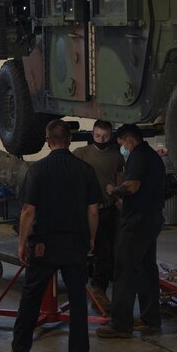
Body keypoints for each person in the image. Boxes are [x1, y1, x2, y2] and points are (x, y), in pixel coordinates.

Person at [11, 120, 100, 352]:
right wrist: (91, 238)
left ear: (48, 141)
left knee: (30, 298)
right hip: (75, 245)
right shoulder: (85, 170)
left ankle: (20, 350)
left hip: (43, 247)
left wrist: (21, 243)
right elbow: (93, 211)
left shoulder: (37, 170)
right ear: (69, 140)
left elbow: (28, 210)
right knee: (78, 301)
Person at [96, 124, 167, 338]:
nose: (121, 149)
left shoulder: (138, 156)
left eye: (121, 144)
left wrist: (114, 190)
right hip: (151, 219)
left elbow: (133, 186)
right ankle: (150, 319)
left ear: (129, 140)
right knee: (146, 270)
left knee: (124, 271)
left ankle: (121, 324)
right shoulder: (152, 157)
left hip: (137, 222)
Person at [73, 120, 124, 311]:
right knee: (100, 252)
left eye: (105, 136)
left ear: (110, 136)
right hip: (89, 210)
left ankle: (101, 289)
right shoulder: (81, 154)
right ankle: (98, 291)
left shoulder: (116, 156)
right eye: (97, 136)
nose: (101, 139)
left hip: (110, 209)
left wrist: (119, 197)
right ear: (92, 134)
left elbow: (119, 178)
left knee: (112, 252)